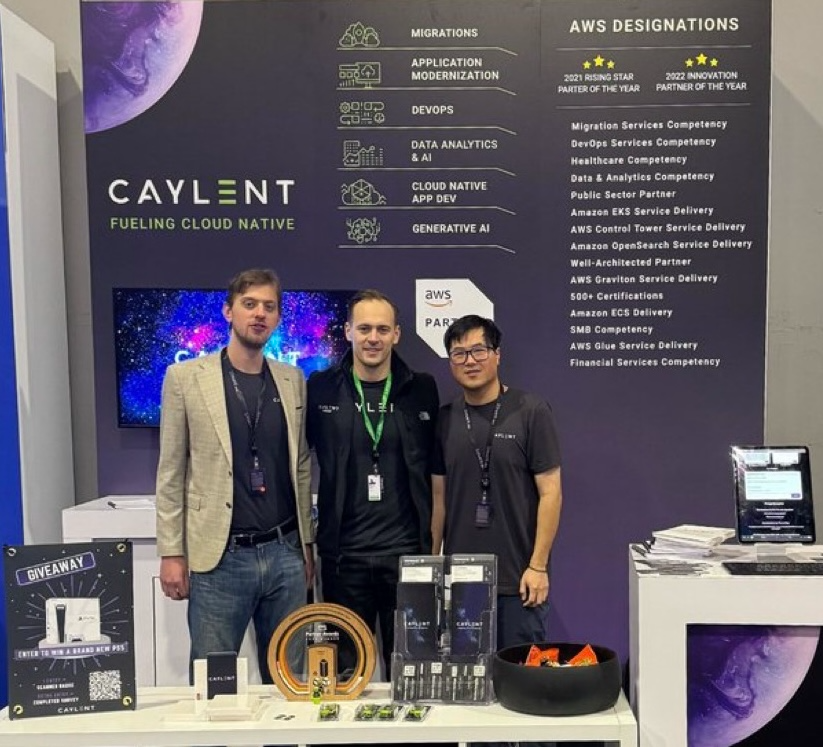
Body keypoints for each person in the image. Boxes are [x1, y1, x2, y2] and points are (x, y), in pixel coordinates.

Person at [155, 267, 314, 683]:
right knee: (214, 686)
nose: (259, 314)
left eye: (269, 306)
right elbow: (170, 472)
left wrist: (306, 548)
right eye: (249, 304)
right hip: (219, 560)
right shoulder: (185, 378)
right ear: (229, 311)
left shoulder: (293, 380)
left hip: (285, 555)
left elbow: (300, 468)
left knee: (291, 684)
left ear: (277, 317)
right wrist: (171, 553)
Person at [307, 289, 439, 678]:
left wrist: (433, 547)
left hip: (407, 557)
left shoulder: (422, 388)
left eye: (382, 329)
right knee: (347, 676)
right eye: (364, 328)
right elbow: (297, 461)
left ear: (396, 334)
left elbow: (436, 472)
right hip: (343, 559)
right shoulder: (321, 387)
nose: (373, 338)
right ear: (348, 331)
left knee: (413, 674)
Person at [431, 315, 562, 651]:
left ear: (497, 354)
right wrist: (433, 569)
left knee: (520, 675)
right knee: (466, 679)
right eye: (459, 353)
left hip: (519, 580)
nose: (470, 361)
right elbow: (439, 500)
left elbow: (551, 493)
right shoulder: (444, 420)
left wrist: (538, 566)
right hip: (461, 582)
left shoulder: (531, 411)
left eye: (479, 350)